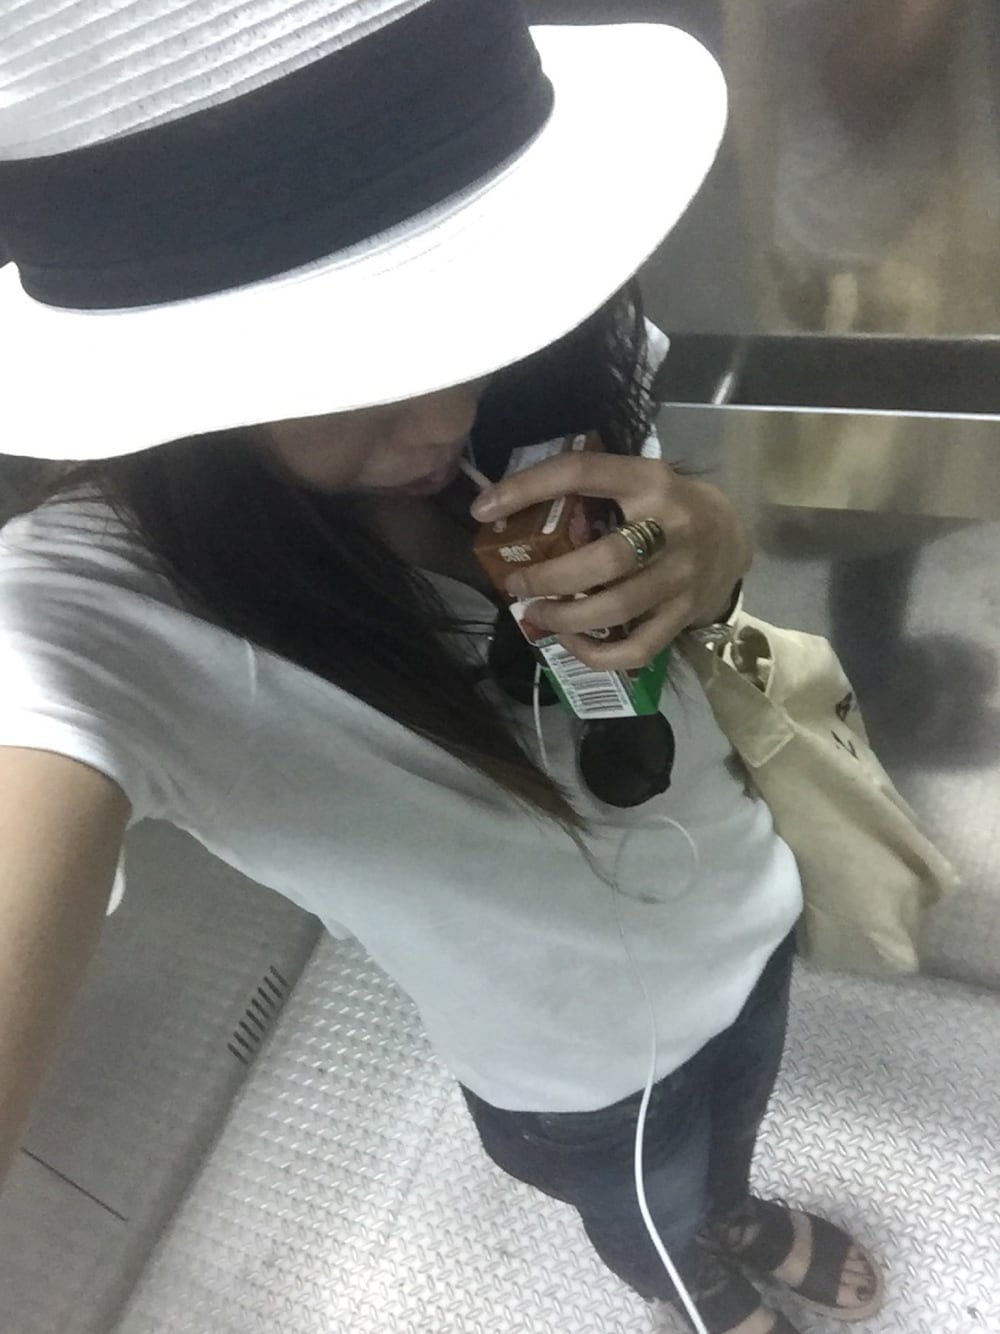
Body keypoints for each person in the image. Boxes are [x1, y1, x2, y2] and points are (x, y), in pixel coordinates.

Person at [0, 3, 883, 1331]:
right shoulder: (95, 609)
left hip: (746, 914)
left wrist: (712, 538)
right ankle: (701, 1286)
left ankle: (737, 1214)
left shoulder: (545, 362)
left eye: (470, 298)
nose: (444, 409)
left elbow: (672, 561)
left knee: (730, 1132)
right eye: (347, 359)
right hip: (583, 1072)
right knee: (650, 1208)